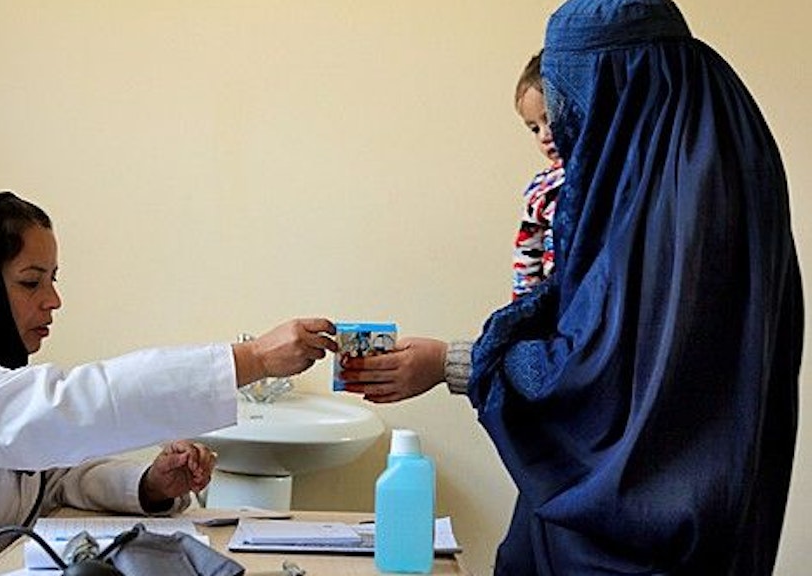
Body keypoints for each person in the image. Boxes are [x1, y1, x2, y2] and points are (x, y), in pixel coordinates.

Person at [340, 0, 803, 573]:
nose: (559, 127)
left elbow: (594, 380)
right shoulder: (709, 145)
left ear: (613, 91)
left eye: (570, 104)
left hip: (634, 538)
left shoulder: (666, 206)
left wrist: (454, 363)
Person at [0, 191, 338, 575]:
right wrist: (253, 358)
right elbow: (63, 410)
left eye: (54, 280)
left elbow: (44, 478)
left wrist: (149, 484)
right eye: (32, 282)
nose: (53, 301)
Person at [511, 50, 564, 300]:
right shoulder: (542, 190)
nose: (544, 135)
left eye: (550, 119)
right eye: (534, 128)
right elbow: (526, 254)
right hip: (552, 302)